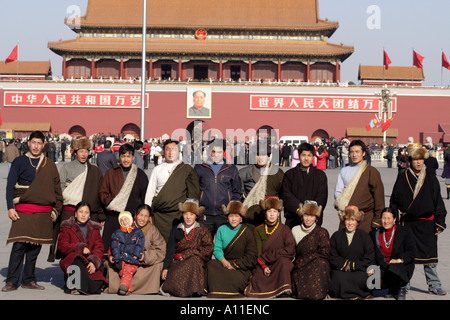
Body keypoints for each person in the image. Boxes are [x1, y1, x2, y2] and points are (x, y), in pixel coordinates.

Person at [2, 131, 63, 292]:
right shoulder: (19, 161)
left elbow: (57, 190)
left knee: (35, 248)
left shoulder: (49, 164)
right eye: (33, 142)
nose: (36, 146)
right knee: (19, 246)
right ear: (28, 143)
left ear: (43, 145)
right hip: (23, 210)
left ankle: (29, 279)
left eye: (39, 143)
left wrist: (56, 211)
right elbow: (10, 186)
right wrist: (10, 207)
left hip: (43, 212)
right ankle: (11, 281)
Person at [390, 143, 447, 295]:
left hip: (427, 223)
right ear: (410, 160)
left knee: (430, 258)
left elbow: (438, 202)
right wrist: (392, 219)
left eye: (421, 159)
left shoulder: (431, 178)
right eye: (415, 159)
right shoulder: (403, 177)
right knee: (407, 256)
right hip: (408, 223)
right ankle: (404, 284)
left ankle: (434, 284)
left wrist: (440, 222)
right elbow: (394, 201)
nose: (419, 162)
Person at [48, 137, 104, 262]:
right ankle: (67, 272)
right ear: (75, 152)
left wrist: (101, 215)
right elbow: (60, 188)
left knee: (89, 243)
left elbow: (99, 193)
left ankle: (87, 272)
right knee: (69, 243)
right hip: (69, 211)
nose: (84, 154)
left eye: (86, 151)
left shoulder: (95, 171)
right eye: (81, 151)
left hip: (87, 212)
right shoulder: (67, 168)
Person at [99, 143, 149, 258]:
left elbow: (144, 198)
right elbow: (102, 192)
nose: (125, 159)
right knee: (108, 250)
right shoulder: (111, 173)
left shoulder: (140, 175)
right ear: (119, 157)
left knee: (128, 250)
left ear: (133, 157)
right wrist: (113, 203)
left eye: (128, 156)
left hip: (131, 220)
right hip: (113, 216)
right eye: (123, 156)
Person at [145, 139, 200, 242]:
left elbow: (193, 194)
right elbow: (150, 192)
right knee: (158, 243)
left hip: (178, 216)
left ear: (179, 152)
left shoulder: (186, 169)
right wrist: (147, 213)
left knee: (177, 244)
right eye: (167, 149)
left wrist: (191, 214)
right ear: (163, 152)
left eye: (173, 149)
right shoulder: (157, 169)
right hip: (159, 217)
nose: (170, 152)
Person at [104, 204, 166, 295]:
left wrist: (145, 257)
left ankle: (125, 285)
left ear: (149, 218)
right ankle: (126, 285)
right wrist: (111, 256)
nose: (143, 219)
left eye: (146, 216)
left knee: (159, 264)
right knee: (111, 265)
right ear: (135, 215)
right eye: (141, 215)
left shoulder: (152, 230)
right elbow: (114, 244)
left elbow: (161, 250)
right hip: (124, 260)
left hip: (142, 263)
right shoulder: (127, 225)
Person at [244, 197, 296, 298]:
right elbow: (257, 253)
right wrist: (264, 266)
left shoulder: (285, 229)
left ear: (278, 213)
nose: (272, 214)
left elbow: (290, 250)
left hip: (279, 263)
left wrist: (270, 256)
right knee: (257, 276)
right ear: (265, 213)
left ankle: (283, 290)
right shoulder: (258, 230)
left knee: (284, 262)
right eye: (269, 211)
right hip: (264, 264)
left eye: (275, 211)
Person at [160, 199, 213, 297]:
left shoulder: (202, 229)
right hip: (178, 261)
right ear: (182, 215)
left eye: (192, 214)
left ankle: (187, 289)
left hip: (196, 261)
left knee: (194, 261)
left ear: (196, 216)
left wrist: (189, 254)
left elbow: (208, 249)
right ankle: (171, 287)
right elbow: (170, 250)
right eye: (185, 214)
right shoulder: (176, 229)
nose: (188, 217)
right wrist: (166, 268)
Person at [206, 200, 257, 298]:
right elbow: (217, 249)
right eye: (231, 216)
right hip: (225, 264)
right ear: (227, 217)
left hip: (240, 267)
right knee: (211, 264)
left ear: (241, 218)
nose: (233, 219)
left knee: (236, 277)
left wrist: (235, 265)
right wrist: (224, 261)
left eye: (236, 216)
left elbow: (251, 256)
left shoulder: (247, 231)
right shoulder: (221, 229)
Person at [334, 139, 385, 233]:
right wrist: (344, 204)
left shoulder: (371, 171)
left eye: (357, 152)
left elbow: (379, 197)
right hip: (347, 217)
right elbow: (338, 192)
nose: (354, 155)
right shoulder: (344, 170)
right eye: (352, 152)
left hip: (365, 218)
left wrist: (377, 219)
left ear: (364, 153)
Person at [57, 202, 107, 295]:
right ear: (76, 213)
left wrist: (94, 261)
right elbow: (62, 245)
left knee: (97, 285)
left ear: (89, 215)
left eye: (86, 212)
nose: (83, 215)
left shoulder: (94, 229)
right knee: (76, 257)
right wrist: (79, 248)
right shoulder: (67, 227)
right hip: (71, 261)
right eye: (81, 212)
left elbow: (98, 247)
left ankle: (82, 285)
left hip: (88, 261)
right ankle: (74, 285)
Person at [195, 138, 241, 237]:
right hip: (205, 214)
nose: (216, 155)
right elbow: (195, 190)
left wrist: (231, 209)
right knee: (204, 246)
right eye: (213, 151)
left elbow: (237, 191)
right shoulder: (200, 168)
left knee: (226, 245)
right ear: (209, 151)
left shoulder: (231, 169)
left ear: (224, 152)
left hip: (224, 215)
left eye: (219, 152)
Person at [328, 205, 375, 300]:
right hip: (341, 269)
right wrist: (345, 265)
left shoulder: (365, 236)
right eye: (347, 220)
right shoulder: (336, 236)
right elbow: (333, 255)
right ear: (343, 220)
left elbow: (369, 256)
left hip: (359, 269)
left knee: (362, 278)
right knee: (338, 278)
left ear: (357, 221)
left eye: (353, 220)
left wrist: (354, 265)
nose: (350, 223)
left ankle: (361, 293)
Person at [369, 208, 416, 300]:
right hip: (382, 266)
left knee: (395, 267)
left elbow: (411, 251)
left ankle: (401, 288)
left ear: (394, 219)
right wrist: (371, 267)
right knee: (367, 278)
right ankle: (391, 288)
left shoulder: (404, 232)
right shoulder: (374, 234)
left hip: (399, 265)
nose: (386, 221)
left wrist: (400, 259)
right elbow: (371, 253)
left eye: (389, 218)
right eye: (383, 218)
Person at [281, 142, 328, 228]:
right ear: (299, 156)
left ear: (313, 157)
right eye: (303, 155)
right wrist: (299, 210)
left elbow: (322, 196)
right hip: (294, 218)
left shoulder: (320, 175)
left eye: (309, 155)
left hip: (313, 219)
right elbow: (286, 194)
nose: (306, 158)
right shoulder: (289, 174)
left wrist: (310, 212)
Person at [239, 140, 284, 229]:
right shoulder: (243, 173)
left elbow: (282, 196)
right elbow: (240, 195)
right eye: (258, 154)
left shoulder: (278, 173)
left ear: (268, 156)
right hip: (250, 219)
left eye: (264, 154)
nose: (261, 157)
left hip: (271, 220)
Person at [291, 201, 331, 300]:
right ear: (302, 216)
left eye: (312, 216)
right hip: (300, 265)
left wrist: (308, 259)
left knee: (321, 263)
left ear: (316, 218)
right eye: (306, 215)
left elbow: (325, 252)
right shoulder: (295, 230)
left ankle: (320, 293)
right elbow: (292, 251)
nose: (308, 219)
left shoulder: (322, 232)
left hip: (316, 263)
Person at [109, 211, 146, 295]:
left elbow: (140, 244)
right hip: (121, 259)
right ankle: (128, 288)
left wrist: (137, 254)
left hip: (132, 258)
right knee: (123, 270)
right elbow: (114, 246)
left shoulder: (138, 232)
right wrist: (116, 257)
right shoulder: (116, 233)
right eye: (121, 220)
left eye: (126, 219)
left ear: (130, 220)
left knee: (128, 269)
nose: (124, 222)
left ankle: (124, 285)